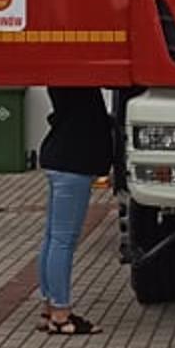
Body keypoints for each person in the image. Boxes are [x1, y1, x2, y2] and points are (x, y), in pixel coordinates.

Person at [35, 87, 112, 335]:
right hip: (73, 162)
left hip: (59, 157)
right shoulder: (77, 76)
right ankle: (61, 313)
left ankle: (49, 306)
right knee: (63, 240)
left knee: (52, 237)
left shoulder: (59, 75)